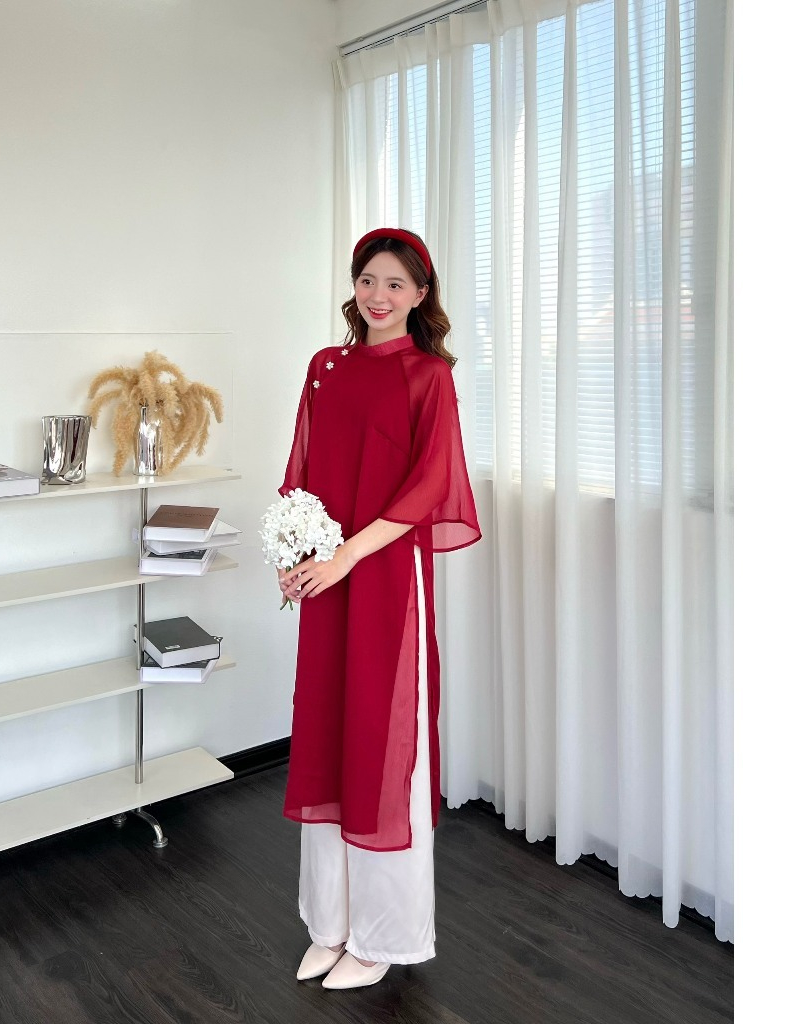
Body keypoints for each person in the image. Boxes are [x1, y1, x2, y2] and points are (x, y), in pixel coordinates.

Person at [276, 228, 481, 990]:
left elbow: (430, 486)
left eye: (395, 284)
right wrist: (293, 554)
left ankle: (383, 937)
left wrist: (345, 557)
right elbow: (300, 470)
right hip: (326, 576)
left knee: (381, 743)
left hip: (386, 575)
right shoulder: (324, 368)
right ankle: (330, 925)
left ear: (420, 295)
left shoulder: (430, 377)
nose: (378, 295)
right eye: (368, 280)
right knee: (327, 734)